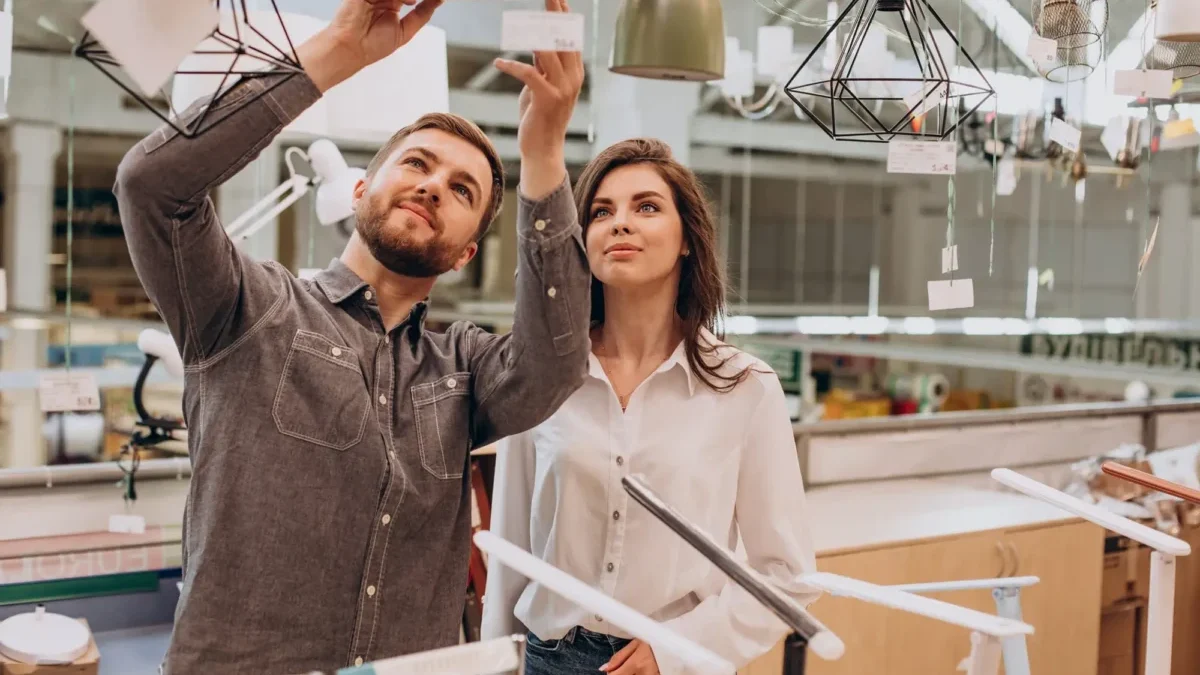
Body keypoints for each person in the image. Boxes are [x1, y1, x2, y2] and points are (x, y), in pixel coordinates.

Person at [113, 0, 589, 672]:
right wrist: (337, 52)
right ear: (362, 187)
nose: (432, 186)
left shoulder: (464, 369)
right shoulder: (245, 309)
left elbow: (557, 361)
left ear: (463, 254)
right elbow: (151, 188)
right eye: (417, 163)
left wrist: (543, 154)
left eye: (461, 190)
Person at [480, 139, 820, 675]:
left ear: (688, 238)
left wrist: (677, 648)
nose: (620, 223)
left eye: (646, 207)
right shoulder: (544, 378)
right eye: (601, 212)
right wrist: (494, 664)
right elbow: (510, 549)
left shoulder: (745, 387)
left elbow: (786, 574)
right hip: (546, 659)